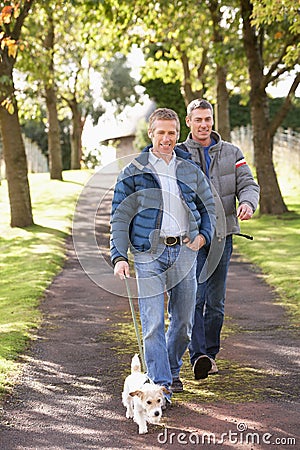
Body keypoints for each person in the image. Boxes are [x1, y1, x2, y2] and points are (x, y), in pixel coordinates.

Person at [110, 108, 216, 397]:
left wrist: (203, 237)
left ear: (178, 134)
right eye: (161, 132)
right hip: (147, 254)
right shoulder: (133, 171)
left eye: (171, 132)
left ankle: (170, 369)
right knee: (153, 322)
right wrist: (119, 256)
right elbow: (119, 217)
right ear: (151, 133)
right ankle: (161, 385)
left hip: (184, 251)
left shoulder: (189, 169)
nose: (166, 138)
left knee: (183, 323)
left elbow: (209, 207)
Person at [178, 99, 260, 380]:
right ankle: (198, 354)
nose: (204, 124)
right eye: (198, 119)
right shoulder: (177, 154)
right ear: (188, 121)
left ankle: (209, 354)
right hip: (192, 240)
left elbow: (248, 184)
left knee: (215, 302)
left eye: (208, 119)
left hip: (223, 237)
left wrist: (248, 203)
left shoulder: (231, 152)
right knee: (194, 298)